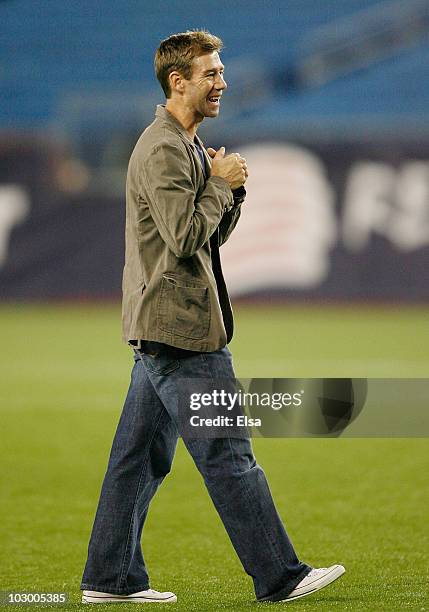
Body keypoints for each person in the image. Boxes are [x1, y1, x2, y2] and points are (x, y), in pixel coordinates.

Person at [80, 30, 345, 604]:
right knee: (229, 455)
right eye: (211, 74)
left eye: (220, 73)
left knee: (136, 462)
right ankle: (281, 576)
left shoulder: (186, 145)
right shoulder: (163, 148)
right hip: (180, 331)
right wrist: (221, 187)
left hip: (166, 325)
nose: (222, 82)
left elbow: (207, 240)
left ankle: (110, 580)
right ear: (179, 82)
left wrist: (233, 193)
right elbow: (183, 236)